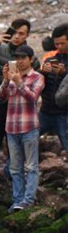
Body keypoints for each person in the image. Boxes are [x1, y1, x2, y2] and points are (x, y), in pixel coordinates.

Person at [0, 18, 38, 175]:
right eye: (14, 32)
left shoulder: (29, 56)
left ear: (27, 36)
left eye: (21, 33)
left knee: (15, 142)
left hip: (18, 106)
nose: (17, 36)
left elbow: (37, 77)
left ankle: (14, 173)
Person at [0, 45, 45, 211]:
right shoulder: (11, 76)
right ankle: (17, 201)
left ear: (30, 59)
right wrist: (5, 80)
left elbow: (32, 97)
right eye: (17, 58)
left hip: (29, 127)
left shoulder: (37, 77)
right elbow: (1, 96)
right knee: (15, 168)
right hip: (11, 128)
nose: (19, 61)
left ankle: (28, 200)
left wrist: (19, 83)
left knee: (31, 166)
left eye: (23, 58)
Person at [38, 24, 68, 156]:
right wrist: (42, 72)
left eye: (62, 43)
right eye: (56, 44)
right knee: (28, 139)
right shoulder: (51, 58)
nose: (59, 47)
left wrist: (64, 73)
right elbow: (40, 83)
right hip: (45, 111)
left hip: (64, 114)